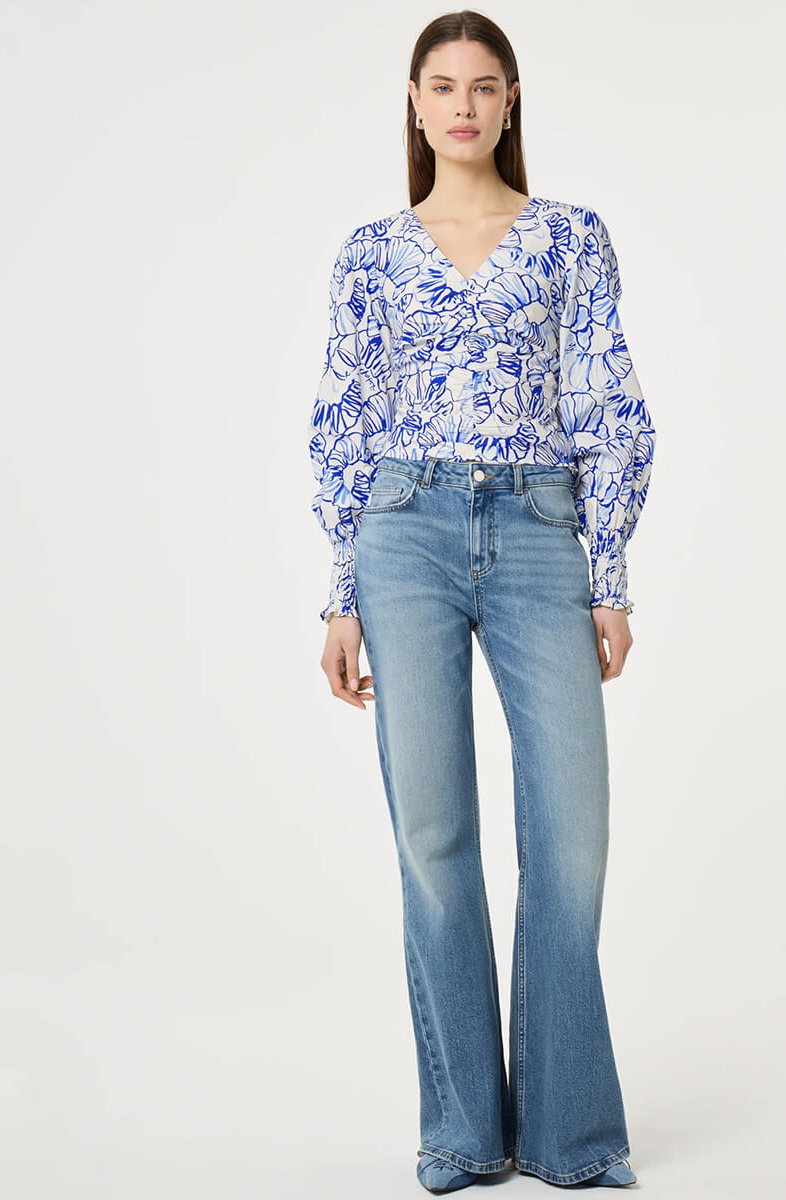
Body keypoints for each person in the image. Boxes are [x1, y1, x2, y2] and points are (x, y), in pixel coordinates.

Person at [308, 11, 655, 1193]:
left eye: (485, 85)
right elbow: (345, 416)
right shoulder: (370, 253)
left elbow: (608, 402)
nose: (463, 105)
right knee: (433, 835)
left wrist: (609, 571)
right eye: (443, 85)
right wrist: (341, 594)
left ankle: (569, 1133)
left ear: (511, 104)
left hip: (540, 529)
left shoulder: (569, 238)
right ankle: (462, 1129)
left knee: (571, 835)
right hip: (402, 529)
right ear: (414, 103)